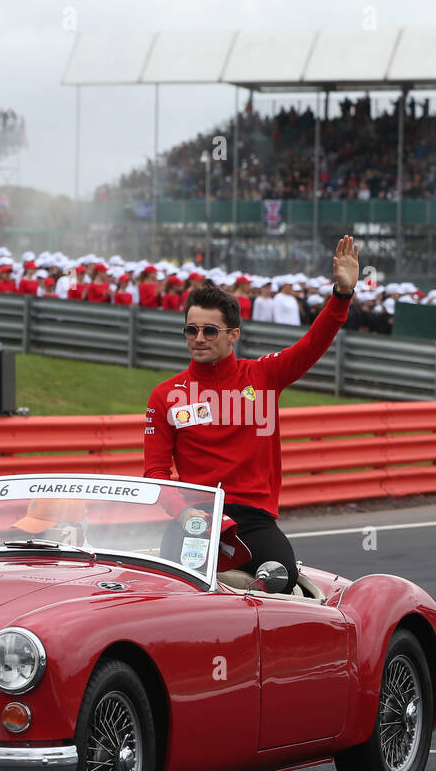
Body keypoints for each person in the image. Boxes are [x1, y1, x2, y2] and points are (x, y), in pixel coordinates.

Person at [142, 235, 361, 593]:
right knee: (173, 588)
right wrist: (183, 512)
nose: (199, 338)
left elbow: (312, 343)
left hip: (253, 519)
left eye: (210, 330)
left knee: (281, 575)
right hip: (198, 517)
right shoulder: (165, 395)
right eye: (191, 330)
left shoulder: (262, 376)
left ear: (233, 336)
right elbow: (155, 473)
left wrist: (342, 295)